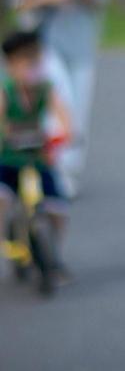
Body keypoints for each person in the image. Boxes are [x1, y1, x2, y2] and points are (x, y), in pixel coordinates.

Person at [6, 0, 107, 198]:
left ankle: (69, 172)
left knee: (79, 110)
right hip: (44, 44)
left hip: (81, 44)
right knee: (57, 106)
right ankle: (50, 169)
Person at [0, 29, 74, 283]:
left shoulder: (45, 89)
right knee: (2, 199)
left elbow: (63, 116)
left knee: (58, 209)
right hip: (8, 159)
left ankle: (54, 258)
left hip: (37, 156)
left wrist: (64, 136)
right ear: (11, 65)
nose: (32, 67)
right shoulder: (6, 92)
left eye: (36, 61)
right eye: (26, 62)